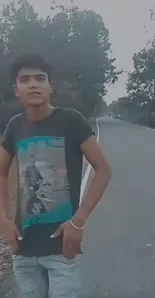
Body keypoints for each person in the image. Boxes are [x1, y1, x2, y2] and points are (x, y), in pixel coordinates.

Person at [0, 54, 111, 298]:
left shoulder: (71, 121)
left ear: (51, 86)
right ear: (16, 89)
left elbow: (103, 170)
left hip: (61, 247)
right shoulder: (14, 126)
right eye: (25, 79)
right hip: (24, 247)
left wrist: (78, 222)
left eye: (40, 78)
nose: (33, 84)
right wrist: (5, 220)